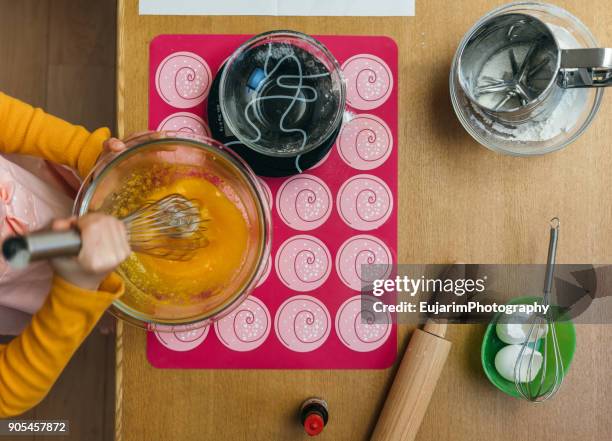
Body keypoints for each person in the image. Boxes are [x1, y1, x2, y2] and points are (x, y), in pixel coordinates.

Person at [0, 92, 131, 417]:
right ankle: (102, 310)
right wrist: (76, 290)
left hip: (50, 209)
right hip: (51, 291)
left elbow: (8, 118)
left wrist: (87, 155)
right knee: (109, 309)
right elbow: (9, 391)